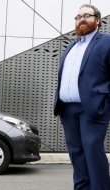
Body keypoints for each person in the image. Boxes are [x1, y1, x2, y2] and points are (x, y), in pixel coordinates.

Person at [53, 4, 110, 190]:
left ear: (98, 20)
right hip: (68, 111)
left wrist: (105, 101)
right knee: (77, 154)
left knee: (93, 150)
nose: (82, 19)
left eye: (87, 15)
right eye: (78, 17)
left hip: (92, 109)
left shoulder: (106, 42)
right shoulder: (70, 46)